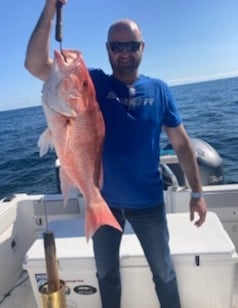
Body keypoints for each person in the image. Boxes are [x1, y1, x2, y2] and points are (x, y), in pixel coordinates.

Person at [25, 1, 207, 307]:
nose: (124, 52)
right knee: (106, 274)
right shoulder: (92, 83)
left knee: (164, 274)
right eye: (117, 45)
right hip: (103, 199)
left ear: (142, 48)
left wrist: (197, 193)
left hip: (149, 202)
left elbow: (182, 145)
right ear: (108, 49)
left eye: (131, 45)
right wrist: (49, 11)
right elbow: (35, 65)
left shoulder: (160, 90)